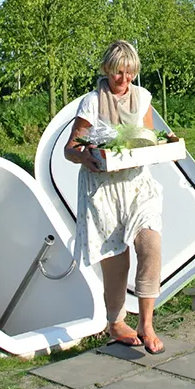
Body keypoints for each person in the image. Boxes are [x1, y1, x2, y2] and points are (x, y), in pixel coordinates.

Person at [64, 40, 166, 355]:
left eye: (129, 72)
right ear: (106, 70)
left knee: (150, 244)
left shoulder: (142, 97)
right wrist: (85, 156)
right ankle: (116, 322)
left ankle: (146, 324)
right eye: (118, 72)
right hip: (103, 187)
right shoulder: (92, 102)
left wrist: (160, 147)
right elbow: (71, 148)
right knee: (115, 256)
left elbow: (149, 139)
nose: (124, 79)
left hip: (136, 184)